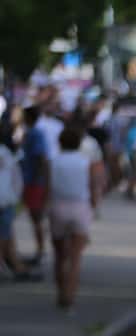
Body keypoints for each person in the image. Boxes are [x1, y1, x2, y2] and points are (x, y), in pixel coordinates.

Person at [47, 117, 104, 311]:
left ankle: (60, 291)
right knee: (75, 257)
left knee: (59, 255)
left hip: (58, 206)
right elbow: (94, 186)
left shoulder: (52, 162)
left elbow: (47, 186)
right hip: (79, 207)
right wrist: (94, 207)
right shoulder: (85, 163)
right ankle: (70, 295)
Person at [19, 104, 51, 264]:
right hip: (31, 180)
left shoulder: (35, 134)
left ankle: (40, 249)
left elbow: (41, 159)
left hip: (33, 181)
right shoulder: (32, 133)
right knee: (34, 216)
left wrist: (39, 180)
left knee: (36, 216)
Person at [0, 131, 31, 280]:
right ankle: (13, 265)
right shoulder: (7, 154)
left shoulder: (6, 154)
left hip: (6, 201)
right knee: (5, 236)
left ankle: (14, 265)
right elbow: (16, 179)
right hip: (6, 201)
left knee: (6, 235)